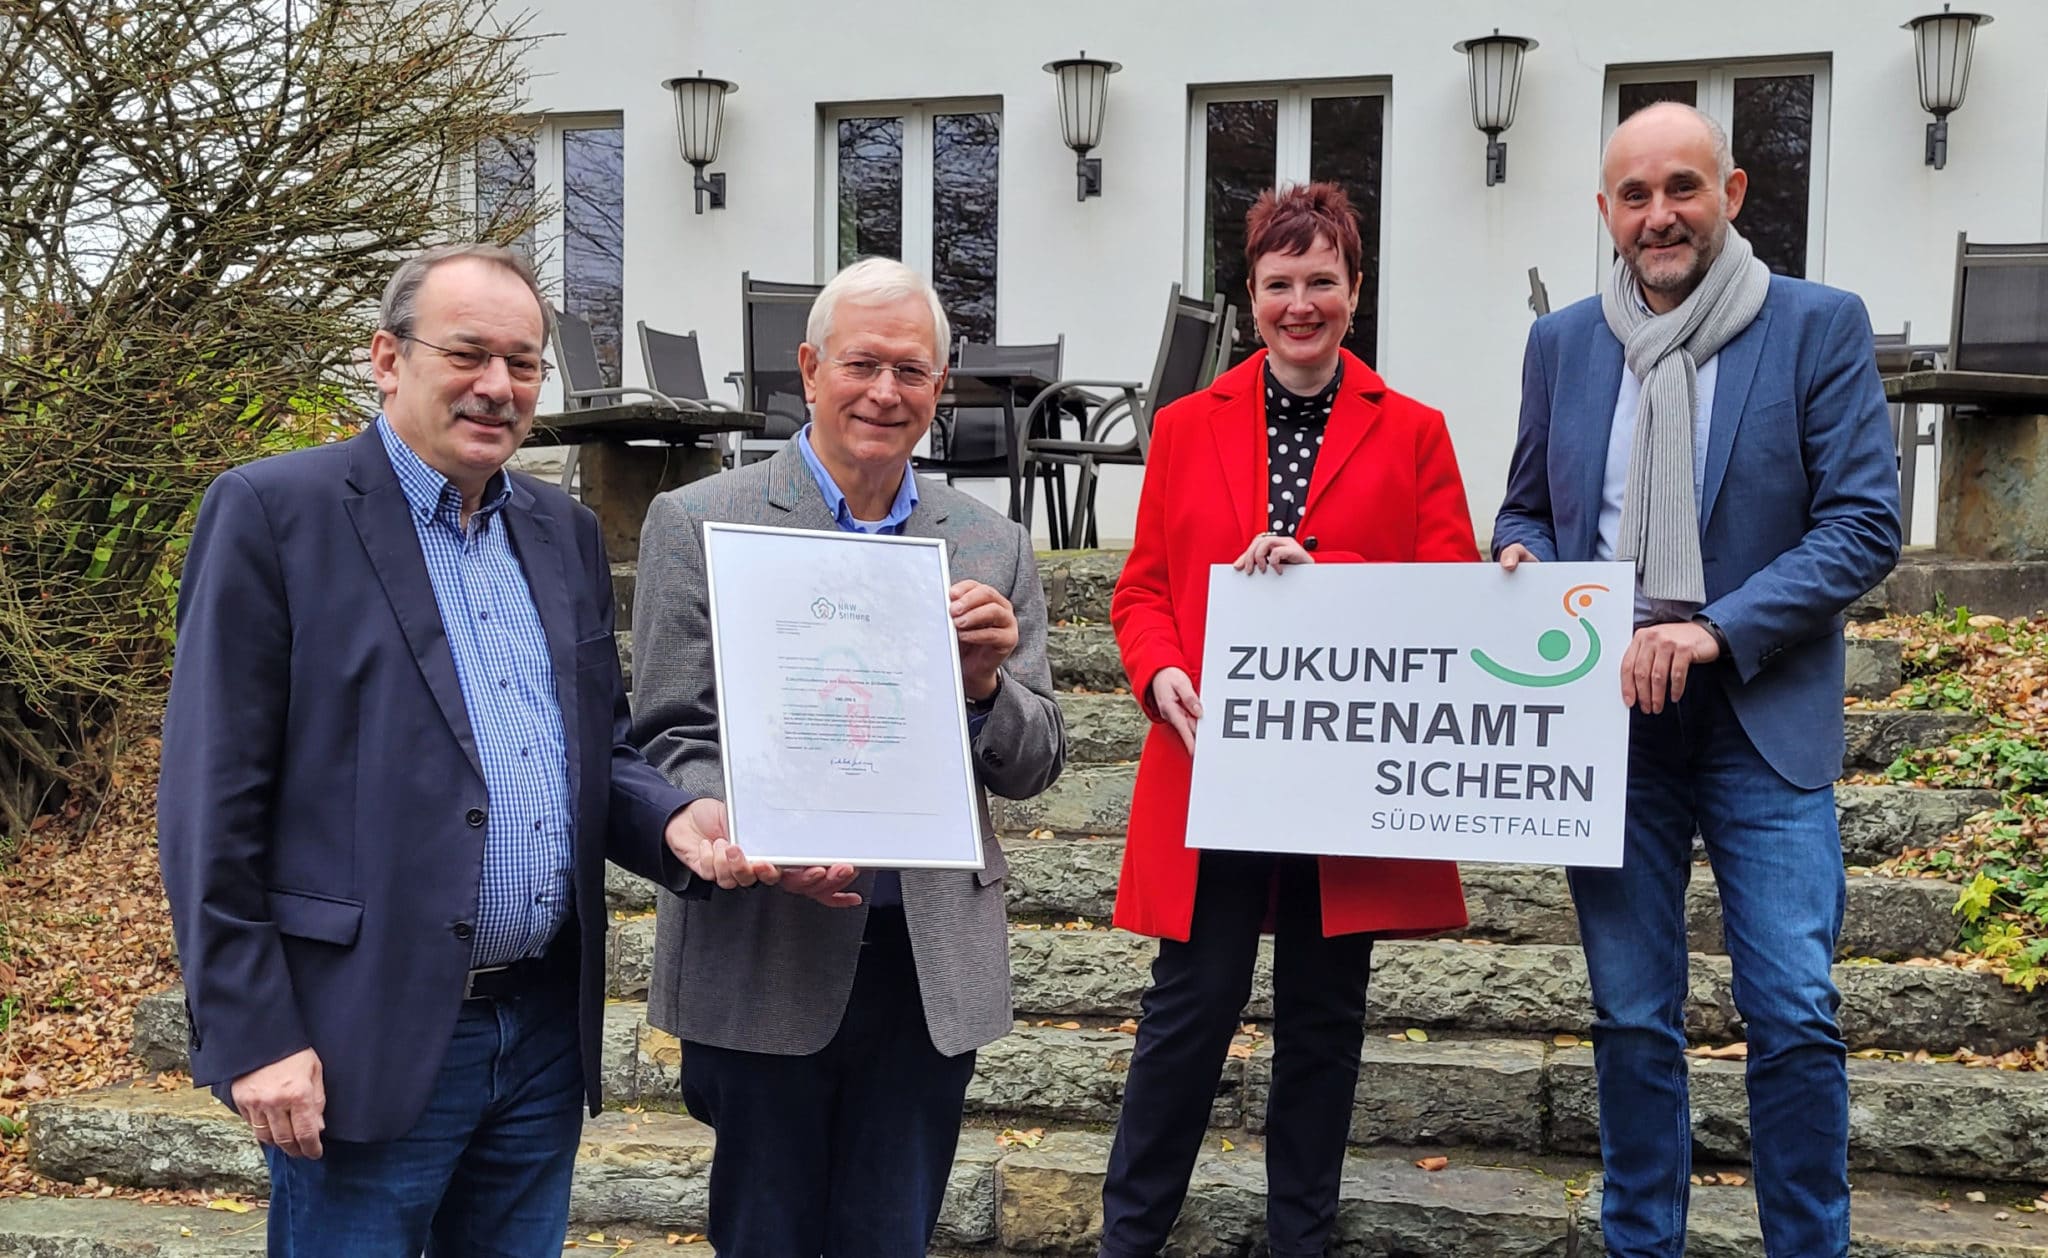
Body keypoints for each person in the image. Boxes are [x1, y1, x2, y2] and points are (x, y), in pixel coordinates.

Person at [157, 243, 729, 1256]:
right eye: (467, 353)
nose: (497, 386)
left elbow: (596, 749)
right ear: (388, 359)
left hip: (541, 1032)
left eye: (523, 362)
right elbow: (211, 802)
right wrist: (256, 1035)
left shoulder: (562, 531)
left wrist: (678, 818)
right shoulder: (274, 514)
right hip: (362, 1032)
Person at [1492, 102, 1902, 1257]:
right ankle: (1641, 1244)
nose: (1657, 214)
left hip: (1759, 714)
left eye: (1681, 187)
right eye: (1633, 195)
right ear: (1604, 211)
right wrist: (1518, 553)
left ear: (1729, 193)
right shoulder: (1562, 343)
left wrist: (1715, 629)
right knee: (1629, 1017)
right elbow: (1526, 505)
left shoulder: (1814, 325)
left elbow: (1863, 523)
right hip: (1610, 723)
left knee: (1793, 1012)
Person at [629, 257, 1067, 1258]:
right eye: (861, 364)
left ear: (939, 385)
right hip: (763, 943)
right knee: (764, 1238)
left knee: (889, 1238)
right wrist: (753, 831)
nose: (884, 392)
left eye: (910, 371)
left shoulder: (990, 543)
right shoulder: (699, 521)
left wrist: (985, 689)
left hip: (925, 962)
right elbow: (669, 731)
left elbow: (1036, 761)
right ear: (809, 369)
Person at [1099, 182, 1478, 1258]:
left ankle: (1299, 1242)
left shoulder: (1415, 433)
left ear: (1355, 289)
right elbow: (1141, 590)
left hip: (1343, 774)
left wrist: (1328, 574)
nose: (1299, 304)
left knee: (1323, 1020)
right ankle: (1128, 1240)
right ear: (1250, 294)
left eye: (1321, 281)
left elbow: (1449, 594)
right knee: (1189, 1012)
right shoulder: (1185, 426)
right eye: (1278, 283)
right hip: (1210, 762)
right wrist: (1159, 673)